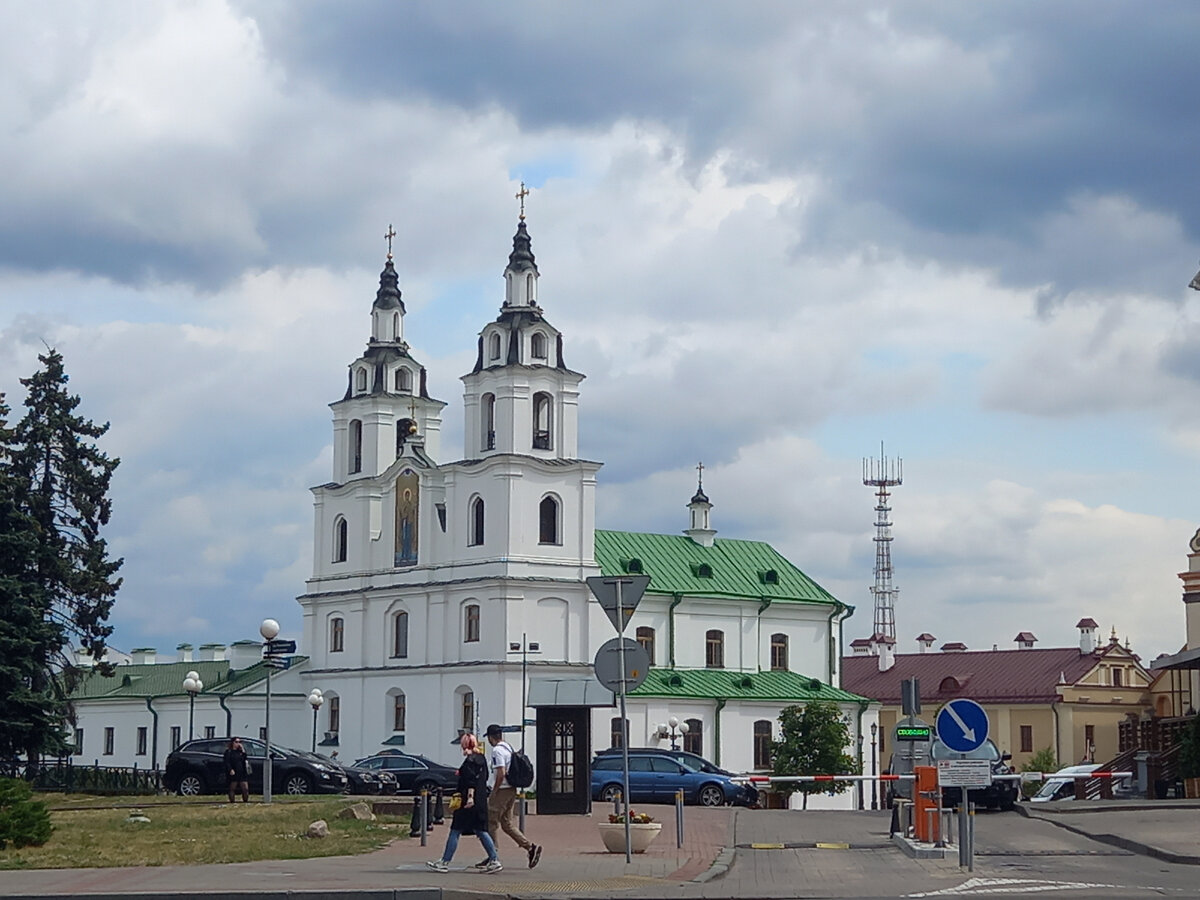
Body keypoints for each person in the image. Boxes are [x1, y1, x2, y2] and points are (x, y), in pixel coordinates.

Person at [427, 733, 501, 873]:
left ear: (465, 745)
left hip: (468, 801)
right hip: (480, 801)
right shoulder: (481, 759)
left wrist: (470, 797)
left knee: (455, 830)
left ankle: (444, 861)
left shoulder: (470, 761)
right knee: (481, 830)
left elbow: (470, 782)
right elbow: (482, 779)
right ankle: (494, 860)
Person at [482, 723, 542, 869]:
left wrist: (494, 790)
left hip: (502, 790)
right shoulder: (507, 747)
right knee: (507, 824)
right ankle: (530, 847)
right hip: (512, 789)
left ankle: (492, 855)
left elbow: (501, 772)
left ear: (491, 737)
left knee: (491, 822)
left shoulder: (497, 751)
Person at [223, 737, 250, 803]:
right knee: (232, 788)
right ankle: (232, 801)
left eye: (239, 742)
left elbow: (245, 758)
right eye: (236, 742)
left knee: (245, 788)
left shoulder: (240, 752)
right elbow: (227, 762)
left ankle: (245, 801)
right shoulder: (229, 752)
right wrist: (230, 769)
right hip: (234, 771)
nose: (238, 744)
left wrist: (243, 750)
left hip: (242, 772)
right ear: (232, 743)